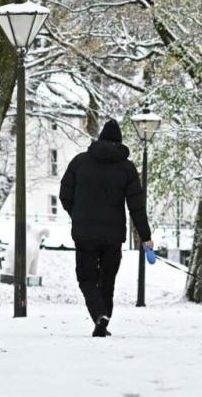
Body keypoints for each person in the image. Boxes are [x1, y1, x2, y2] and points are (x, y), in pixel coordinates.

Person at [59, 119, 154, 337]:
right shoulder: (127, 168)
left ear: (100, 138)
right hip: (113, 236)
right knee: (108, 279)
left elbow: (65, 195)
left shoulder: (79, 162)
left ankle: (99, 315)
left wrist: (78, 215)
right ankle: (104, 320)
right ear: (120, 142)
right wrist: (146, 237)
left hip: (84, 235)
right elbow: (136, 206)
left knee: (86, 278)